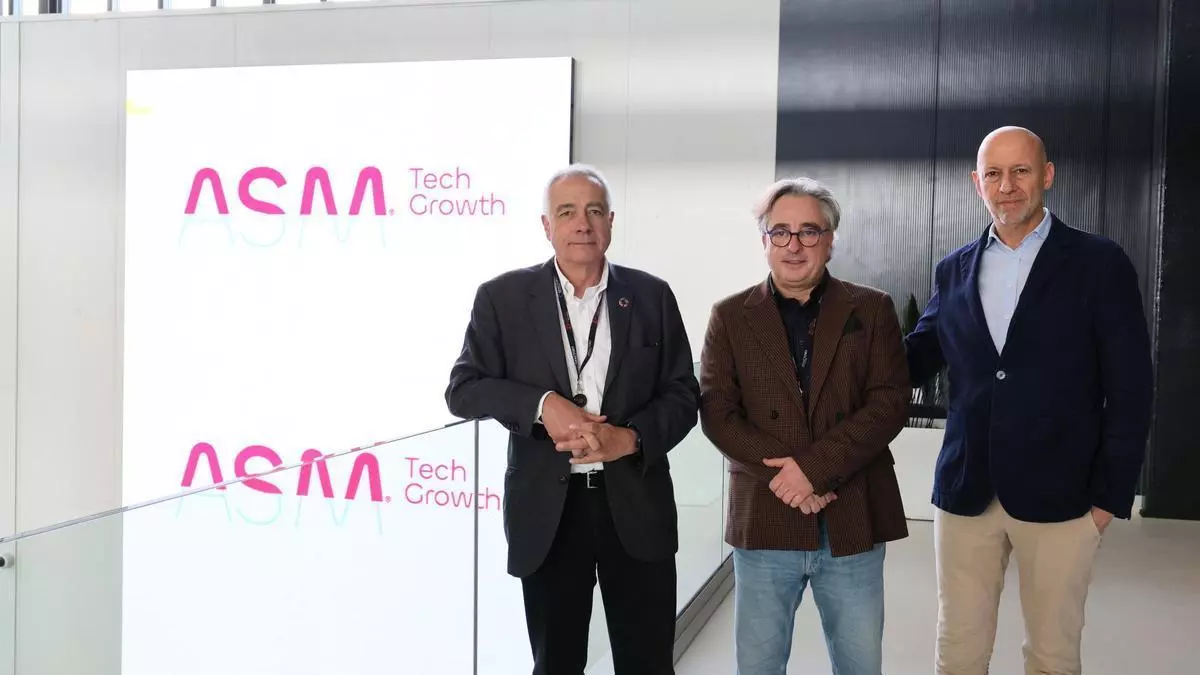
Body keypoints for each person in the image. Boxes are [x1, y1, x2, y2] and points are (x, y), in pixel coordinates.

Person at [905, 126, 1154, 675]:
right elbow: (915, 358)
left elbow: (1131, 388)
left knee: (1052, 657)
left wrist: (1109, 497)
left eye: (1021, 171)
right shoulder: (954, 268)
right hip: (966, 491)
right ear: (977, 183)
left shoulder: (1099, 263)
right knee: (957, 653)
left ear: (1047, 175)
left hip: (1065, 495)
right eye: (993, 174)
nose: (1007, 185)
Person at [445, 164, 700, 675]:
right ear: (546, 225)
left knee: (648, 663)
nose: (581, 223)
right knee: (556, 663)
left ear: (610, 222)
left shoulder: (652, 295)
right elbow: (463, 390)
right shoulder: (502, 298)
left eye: (593, 211)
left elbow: (683, 395)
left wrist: (628, 439)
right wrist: (542, 403)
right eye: (566, 212)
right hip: (549, 513)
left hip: (636, 504)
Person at [699, 177, 910, 675]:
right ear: (764, 240)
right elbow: (718, 413)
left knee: (860, 666)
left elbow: (889, 403)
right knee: (758, 667)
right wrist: (789, 479)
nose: (794, 245)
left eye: (809, 232)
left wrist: (812, 471)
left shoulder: (872, 308)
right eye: (781, 232)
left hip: (852, 517)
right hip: (766, 519)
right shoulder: (729, 316)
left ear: (830, 240)